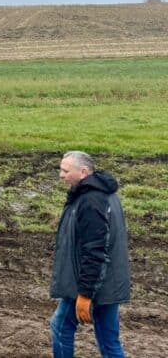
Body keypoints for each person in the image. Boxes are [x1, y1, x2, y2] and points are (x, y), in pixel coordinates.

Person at [49, 151, 131, 357]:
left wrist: (85, 294)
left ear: (83, 172)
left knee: (60, 327)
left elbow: (95, 250)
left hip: (91, 283)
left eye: (65, 170)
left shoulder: (91, 201)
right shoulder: (103, 194)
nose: (61, 175)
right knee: (109, 342)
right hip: (107, 284)